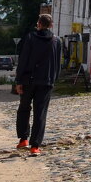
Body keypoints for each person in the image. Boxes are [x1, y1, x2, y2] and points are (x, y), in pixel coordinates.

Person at [15, 13, 62, 156]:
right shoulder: (56, 40)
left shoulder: (30, 38)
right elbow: (57, 63)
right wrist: (54, 79)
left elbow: (23, 60)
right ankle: (35, 146)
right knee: (40, 113)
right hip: (46, 81)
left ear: (39, 24)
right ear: (51, 25)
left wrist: (19, 80)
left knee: (24, 108)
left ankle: (23, 139)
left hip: (28, 80)